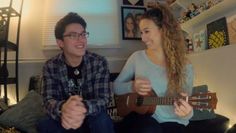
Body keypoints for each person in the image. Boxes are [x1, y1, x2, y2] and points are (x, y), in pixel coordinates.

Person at [114, 4, 194, 133]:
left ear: (163, 30)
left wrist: (186, 113)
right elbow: (116, 87)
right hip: (142, 119)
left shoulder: (186, 66)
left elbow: (188, 103)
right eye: (141, 32)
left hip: (173, 122)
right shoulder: (137, 57)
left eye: (147, 31)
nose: (142, 38)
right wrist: (133, 86)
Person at [37, 12, 114, 133]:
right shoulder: (51, 66)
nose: (81, 40)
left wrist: (81, 107)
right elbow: (48, 100)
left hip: (91, 116)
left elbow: (104, 99)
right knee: (44, 124)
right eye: (73, 35)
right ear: (60, 42)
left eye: (83, 34)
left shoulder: (99, 62)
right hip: (64, 118)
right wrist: (64, 108)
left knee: (102, 120)